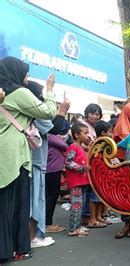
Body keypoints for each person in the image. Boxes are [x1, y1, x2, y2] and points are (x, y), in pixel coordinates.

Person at [0, 57, 57, 262]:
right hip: (15, 156)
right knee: (17, 205)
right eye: (26, 72)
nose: (27, 76)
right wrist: (49, 90)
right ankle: (17, 249)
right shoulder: (19, 93)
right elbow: (48, 112)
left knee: (3, 204)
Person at [25, 80, 70, 248]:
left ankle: (30, 237)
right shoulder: (32, 110)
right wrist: (63, 109)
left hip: (30, 161)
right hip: (35, 162)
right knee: (35, 201)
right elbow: (55, 129)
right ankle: (33, 237)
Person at [77, 103, 103, 226]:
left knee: (88, 189)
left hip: (90, 161)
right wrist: (90, 147)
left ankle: (86, 216)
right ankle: (85, 216)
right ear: (87, 113)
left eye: (97, 114)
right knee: (87, 191)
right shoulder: (82, 125)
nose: (95, 116)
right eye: (92, 113)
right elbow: (77, 143)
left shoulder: (93, 127)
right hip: (83, 161)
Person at [65, 123, 92, 237]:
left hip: (81, 181)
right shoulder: (73, 147)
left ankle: (76, 226)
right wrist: (82, 168)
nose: (87, 136)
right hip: (76, 181)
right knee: (76, 204)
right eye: (85, 133)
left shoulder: (79, 147)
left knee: (79, 204)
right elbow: (68, 162)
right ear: (77, 135)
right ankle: (73, 229)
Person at [45, 122, 70, 234]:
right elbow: (65, 146)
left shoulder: (49, 135)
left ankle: (47, 222)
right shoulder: (50, 135)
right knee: (52, 195)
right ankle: (47, 223)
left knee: (51, 195)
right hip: (52, 168)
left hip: (52, 168)